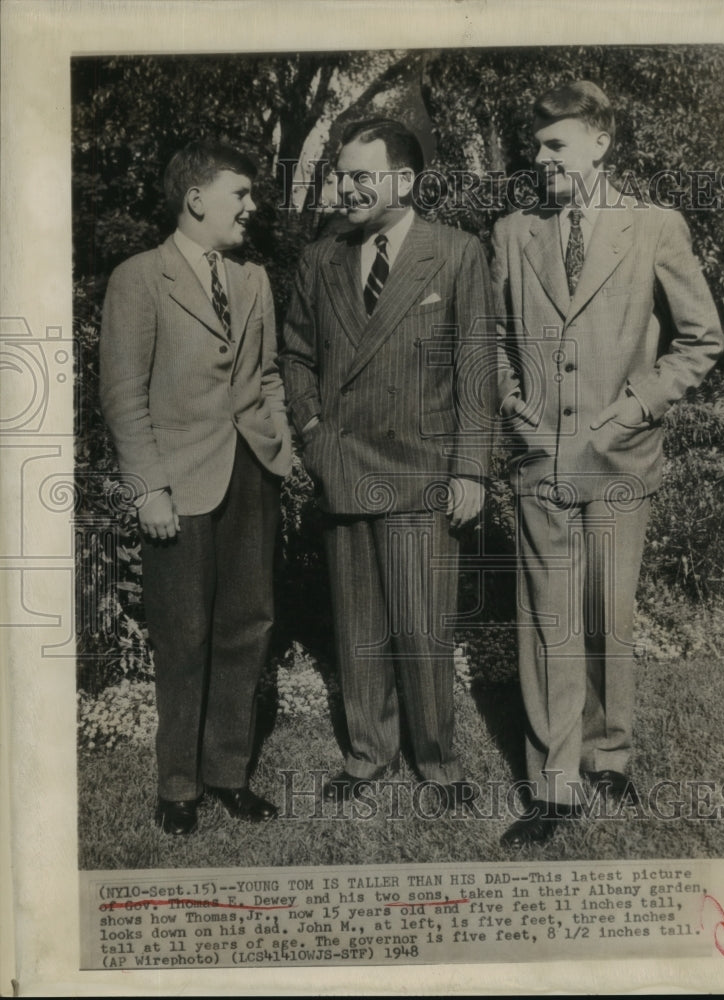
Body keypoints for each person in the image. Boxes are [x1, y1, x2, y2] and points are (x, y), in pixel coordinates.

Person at [491, 81, 724, 846]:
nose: (541, 158)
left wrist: (636, 406)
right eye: (536, 146)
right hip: (539, 458)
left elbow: (702, 339)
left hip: (622, 458)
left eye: (555, 144)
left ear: (600, 142)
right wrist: (514, 406)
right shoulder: (513, 232)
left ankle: (610, 753)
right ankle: (555, 783)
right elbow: (492, 342)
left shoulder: (654, 226)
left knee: (607, 612)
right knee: (547, 620)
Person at [282, 118, 497, 809]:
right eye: (341, 175)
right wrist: (314, 432)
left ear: (404, 181)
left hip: (423, 471)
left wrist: (471, 469)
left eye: (360, 176)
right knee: (359, 627)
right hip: (344, 464)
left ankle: (438, 763)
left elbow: (476, 366)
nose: (345, 188)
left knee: (422, 628)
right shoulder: (321, 258)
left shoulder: (457, 252)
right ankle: (368, 755)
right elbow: (296, 355)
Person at [100, 140, 291, 835]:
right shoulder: (139, 278)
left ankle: (229, 774)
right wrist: (148, 487)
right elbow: (123, 396)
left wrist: (279, 448)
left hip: (251, 474)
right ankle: (178, 784)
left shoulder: (253, 278)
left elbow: (267, 376)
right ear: (196, 198)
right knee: (182, 633)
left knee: (249, 624)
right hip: (178, 485)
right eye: (240, 193)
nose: (251, 206)